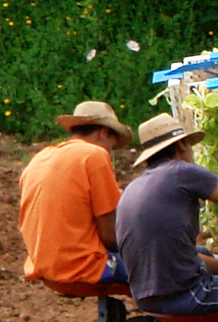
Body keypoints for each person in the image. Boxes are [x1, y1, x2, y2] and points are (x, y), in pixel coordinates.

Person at [116, 112, 218, 316]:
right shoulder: (182, 172)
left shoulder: (135, 185)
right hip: (188, 295)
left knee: (204, 253)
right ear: (180, 146)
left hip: (147, 299)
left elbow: (178, 256)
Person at [19, 100, 135, 286]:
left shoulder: (40, 158)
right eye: (111, 147)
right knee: (172, 266)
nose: (109, 152)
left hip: (42, 265)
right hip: (83, 266)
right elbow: (111, 236)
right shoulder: (94, 156)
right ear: (103, 133)